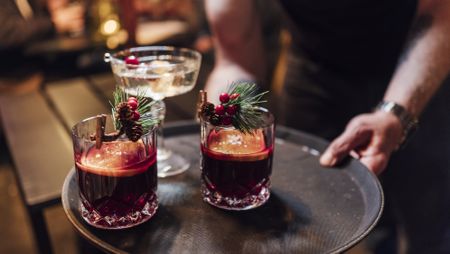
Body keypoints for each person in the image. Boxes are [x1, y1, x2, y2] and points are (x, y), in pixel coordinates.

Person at [204, 0, 450, 253]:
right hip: (314, 69)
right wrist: (224, 123)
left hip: (414, 62)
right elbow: (236, 59)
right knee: (313, 223)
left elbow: (441, 11)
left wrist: (395, 113)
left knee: (429, 224)